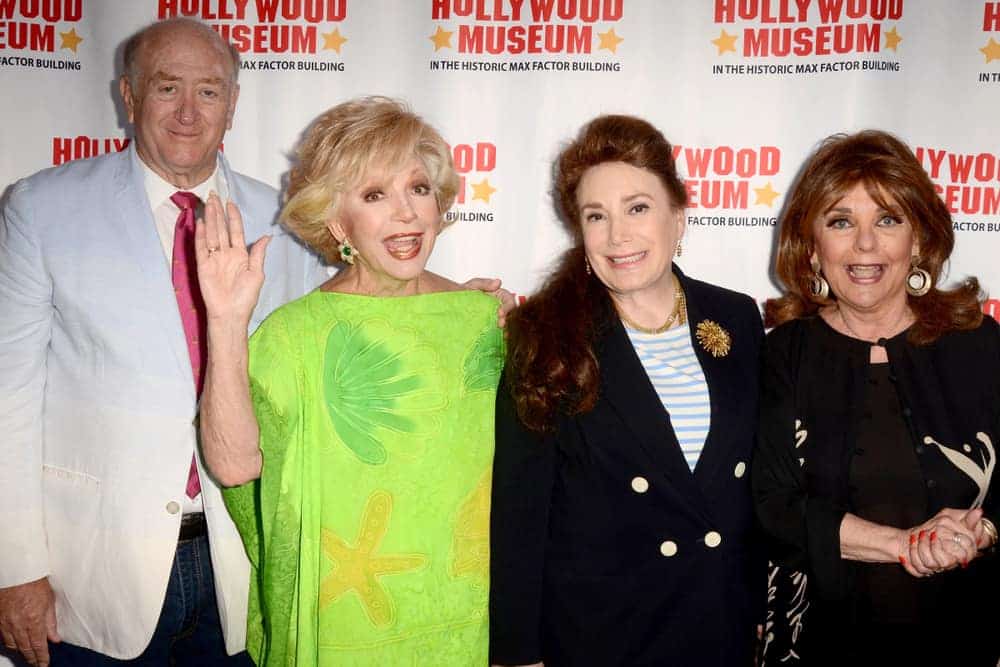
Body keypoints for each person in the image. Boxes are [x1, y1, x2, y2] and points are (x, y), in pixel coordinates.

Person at [0, 18, 507, 667]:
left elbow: (365, 297)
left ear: (233, 103)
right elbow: (10, 396)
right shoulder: (44, 209)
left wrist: (455, 301)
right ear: (128, 97)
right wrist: (17, 567)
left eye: (209, 91)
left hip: (241, 559)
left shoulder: (281, 218)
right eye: (166, 88)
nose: (188, 111)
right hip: (97, 569)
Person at [197, 97, 505, 666]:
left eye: (417, 188)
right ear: (338, 223)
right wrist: (225, 321)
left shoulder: (486, 320)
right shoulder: (295, 334)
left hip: (475, 616)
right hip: (343, 626)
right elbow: (236, 466)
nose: (407, 214)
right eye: (373, 195)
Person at [489, 115, 765, 666]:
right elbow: (520, 514)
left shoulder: (736, 317)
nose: (618, 236)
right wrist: (518, 655)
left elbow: (750, 489)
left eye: (637, 208)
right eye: (597, 216)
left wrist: (753, 604)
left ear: (678, 217)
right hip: (602, 635)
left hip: (718, 626)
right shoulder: (542, 333)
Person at [752, 130, 999, 666]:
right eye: (842, 222)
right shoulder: (781, 357)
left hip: (966, 639)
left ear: (919, 240)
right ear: (812, 245)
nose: (865, 244)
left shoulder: (982, 346)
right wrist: (904, 545)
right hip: (820, 644)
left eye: (887, 219)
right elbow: (771, 505)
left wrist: (982, 530)